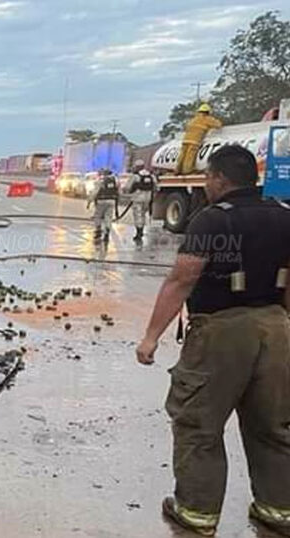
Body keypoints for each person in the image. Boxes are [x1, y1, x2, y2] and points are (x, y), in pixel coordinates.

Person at [136, 145, 290, 537]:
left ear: (220, 179)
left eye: (207, 177)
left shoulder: (211, 220)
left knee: (198, 423)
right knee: (273, 424)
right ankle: (277, 508)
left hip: (222, 330)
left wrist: (151, 337)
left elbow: (182, 278)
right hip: (277, 327)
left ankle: (197, 512)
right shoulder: (284, 215)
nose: (205, 184)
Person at [177, 103, 223, 175]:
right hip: (194, 140)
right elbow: (218, 125)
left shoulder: (193, 120)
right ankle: (187, 170)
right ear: (207, 112)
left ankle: (178, 169)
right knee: (190, 156)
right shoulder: (207, 119)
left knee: (182, 155)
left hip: (185, 140)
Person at [126, 159, 156, 243]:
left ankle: (139, 233)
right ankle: (141, 231)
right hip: (148, 199)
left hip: (138, 199)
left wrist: (129, 192)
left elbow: (128, 187)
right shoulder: (151, 175)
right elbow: (155, 186)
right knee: (143, 215)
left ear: (137, 167)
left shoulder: (136, 176)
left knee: (138, 216)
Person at [89, 168, 118, 243]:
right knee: (108, 217)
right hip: (111, 201)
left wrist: (90, 201)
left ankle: (98, 230)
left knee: (98, 216)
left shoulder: (100, 181)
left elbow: (95, 192)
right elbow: (118, 191)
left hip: (101, 201)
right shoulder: (115, 180)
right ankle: (107, 232)